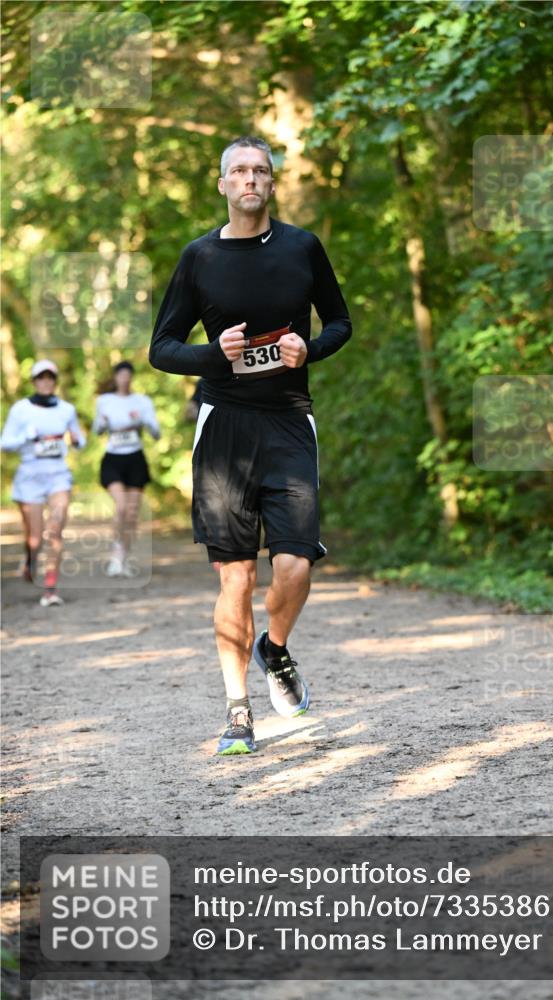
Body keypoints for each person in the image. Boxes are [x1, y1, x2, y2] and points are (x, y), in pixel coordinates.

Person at [149, 135, 352, 755]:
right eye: (239, 171)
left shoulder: (302, 248)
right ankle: (238, 711)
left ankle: (276, 648)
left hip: (289, 421)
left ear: (272, 182)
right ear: (222, 185)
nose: (250, 180)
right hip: (224, 428)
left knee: (294, 562)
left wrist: (309, 348)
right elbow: (162, 348)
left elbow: (339, 320)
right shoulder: (199, 257)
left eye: (260, 171)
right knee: (234, 580)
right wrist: (216, 355)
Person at [1, 359, 86, 606]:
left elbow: (78, 439)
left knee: (56, 531)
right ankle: (30, 559)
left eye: (50, 377)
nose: (46, 381)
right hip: (30, 476)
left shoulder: (66, 409)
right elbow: (4, 442)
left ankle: (50, 588)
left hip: (58, 475)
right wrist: (24, 437)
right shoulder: (21, 409)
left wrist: (78, 441)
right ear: (34, 381)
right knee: (35, 538)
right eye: (41, 377)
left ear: (55, 381)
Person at [92, 361, 160, 577]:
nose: (125, 378)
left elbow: (156, 433)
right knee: (121, 506)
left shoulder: (142, 401)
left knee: (131, 513)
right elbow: (97, 430)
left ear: (132, 377)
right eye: (121, 375)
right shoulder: (105, 401)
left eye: (128, 375)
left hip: (135, 459)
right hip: (113, 458)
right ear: (115, 377)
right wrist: (103, 423)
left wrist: (146, 422)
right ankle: (115, 555)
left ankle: (123, 556)